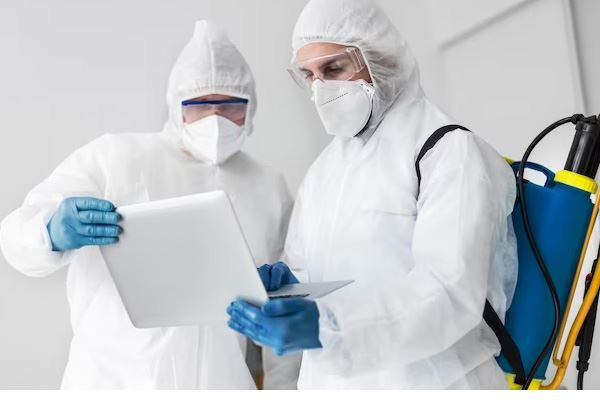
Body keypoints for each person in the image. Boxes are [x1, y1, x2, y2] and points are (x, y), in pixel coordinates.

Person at [227, 0, 519, 389]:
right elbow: (324, 270)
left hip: (434, 383)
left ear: (380, 58)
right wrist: (291, 283)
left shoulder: (446, 151)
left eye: (334, 68)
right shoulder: (324, 171)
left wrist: (331, 327)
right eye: (309, 75)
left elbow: (449, 292)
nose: (321, 88)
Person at [0, 20, 293, 389]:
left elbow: (287, 312)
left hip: (222, 382)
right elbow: (16, 235)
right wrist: (49, 231)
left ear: (250, 109)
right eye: (199, 105)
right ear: (176, 106)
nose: (215, 119)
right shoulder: (114, 158)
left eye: (231, 105)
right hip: (112, 383)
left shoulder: (267, 186)